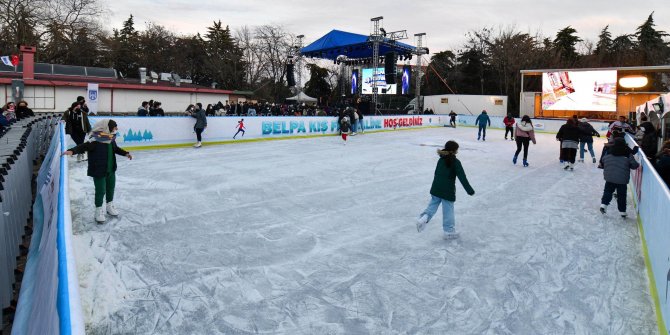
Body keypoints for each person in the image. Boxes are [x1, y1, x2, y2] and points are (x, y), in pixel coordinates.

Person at [62, 119, 133, 223]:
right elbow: (83, 146)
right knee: (100, 191)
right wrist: (72, 151)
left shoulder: (110, 138)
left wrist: (126, 153)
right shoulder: (95, 140)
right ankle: (98, 210)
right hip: (99, 169)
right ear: (106, 128)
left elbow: (116, 149)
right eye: (114, 127)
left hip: (111, 169)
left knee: (110, 188)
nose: (116, 129)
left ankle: (109, 206)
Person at [416, 141, 475, 239]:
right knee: (448, 210)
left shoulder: (441, 160)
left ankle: (424, 218)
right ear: (454, 150)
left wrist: (436, 187)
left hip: (436, 188)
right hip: (447, 191)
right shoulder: (455, 162)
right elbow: (462, 177)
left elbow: (436, 173)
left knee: (433, 204)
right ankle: (449, 231)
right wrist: (470, 190)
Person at [599, 137, 639, 218]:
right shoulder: (627, 153)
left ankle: (603, 205)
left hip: (609, 177)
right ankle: (622, 211)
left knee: (608, 191)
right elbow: (634, 165)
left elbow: (603, 160)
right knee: (621, 195)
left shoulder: (609, 151)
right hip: (622, 179)